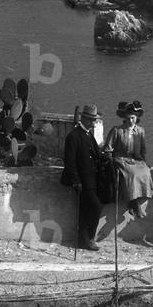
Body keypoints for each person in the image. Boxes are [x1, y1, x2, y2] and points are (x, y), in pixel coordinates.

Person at [60, 104, 104, 251]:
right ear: (83, 119)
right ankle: (89, 238)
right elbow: (70, 162)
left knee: (85, 211)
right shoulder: (74, 136)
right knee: (95, 207)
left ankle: (83, 241)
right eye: (91, 120)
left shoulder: (88, 134)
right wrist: (76, 181)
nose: (93, 123)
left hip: (92, 180)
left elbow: (96, 154)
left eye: (94, 120)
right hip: (82, 182)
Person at [104, 100, 153, 219]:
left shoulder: (141, 131)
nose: (131, 121)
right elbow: (108, 148)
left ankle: (138, 201)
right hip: (121, 159)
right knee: (132, 174)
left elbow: (143, 149)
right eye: (128, 118)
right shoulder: (117, 130)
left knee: (146, 172)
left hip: (136, 160)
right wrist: (110, 160)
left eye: (133, 118)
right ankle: (133, 203)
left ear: (136, 118)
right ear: (124, 118)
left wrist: (144, 162)